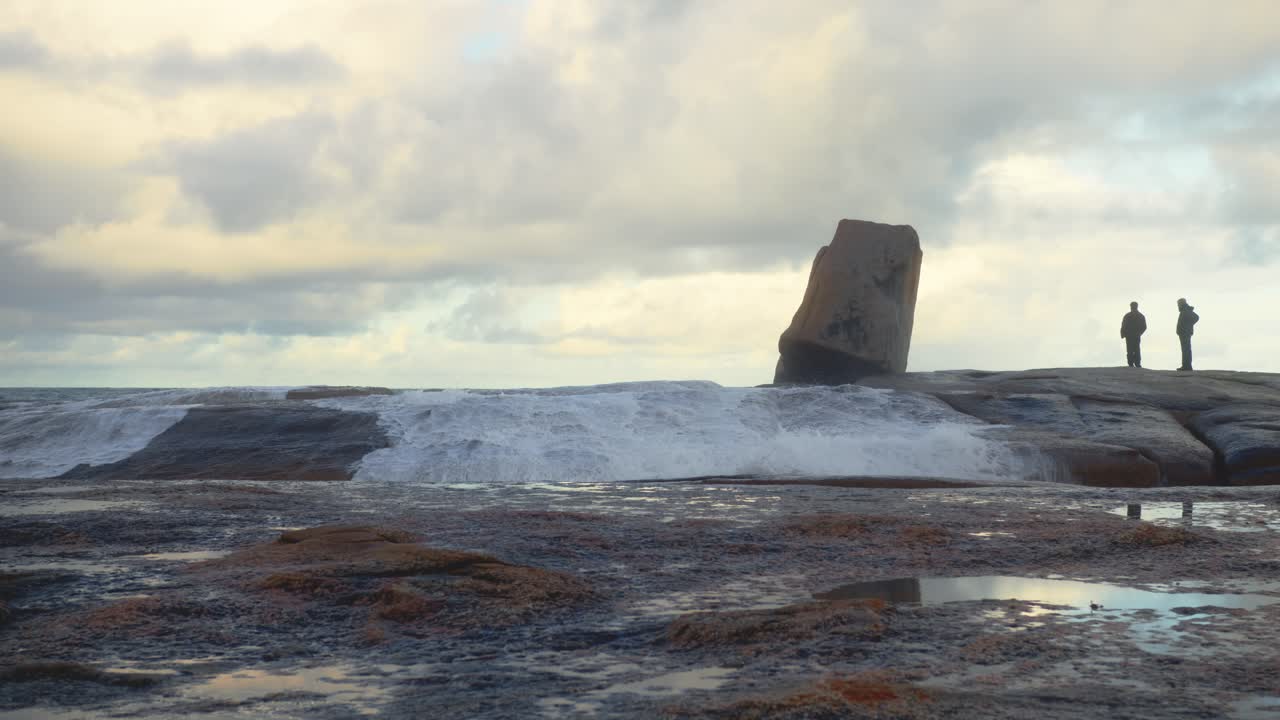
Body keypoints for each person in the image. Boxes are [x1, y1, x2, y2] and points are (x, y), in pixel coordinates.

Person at [1120, 301, 1147, 368]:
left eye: (1133, 306)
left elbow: (1144, 327)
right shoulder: (1128, 316)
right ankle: (1131, 363)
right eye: (1132, 306)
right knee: (1131, 350)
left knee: (1135, 349)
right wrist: (1123, 334)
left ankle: (1136, 363)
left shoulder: (1140, 316)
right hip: (1130, 336)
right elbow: (1123, 325)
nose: (1132, 307)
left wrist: (1139, 333)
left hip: (1135, 336)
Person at [1176, 298, 1199, 371]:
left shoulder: (1186, 310)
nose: (1178, 306)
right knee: (1185, 349)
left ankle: (1187, 366)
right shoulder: (1185, 310)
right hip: (1184, 333)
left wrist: (1188, 325)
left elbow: (1196, 317)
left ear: (1181, 303)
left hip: (1185, 333)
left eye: (1178, 304)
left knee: (1186, 350)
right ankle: (1186, 366)